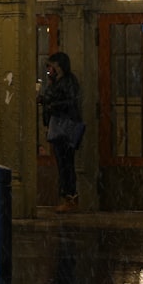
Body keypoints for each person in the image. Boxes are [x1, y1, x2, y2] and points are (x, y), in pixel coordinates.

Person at [38, 52, 83, 213]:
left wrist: (51, 106)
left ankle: (70, 197)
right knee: (63, 163)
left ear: (59, 66)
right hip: (59, 125)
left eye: (52, 66)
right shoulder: (57, 82)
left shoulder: (68, 81)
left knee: (66, 163)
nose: (49, 69)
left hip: (65, 126)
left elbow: (71, 102)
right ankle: (67, 197)